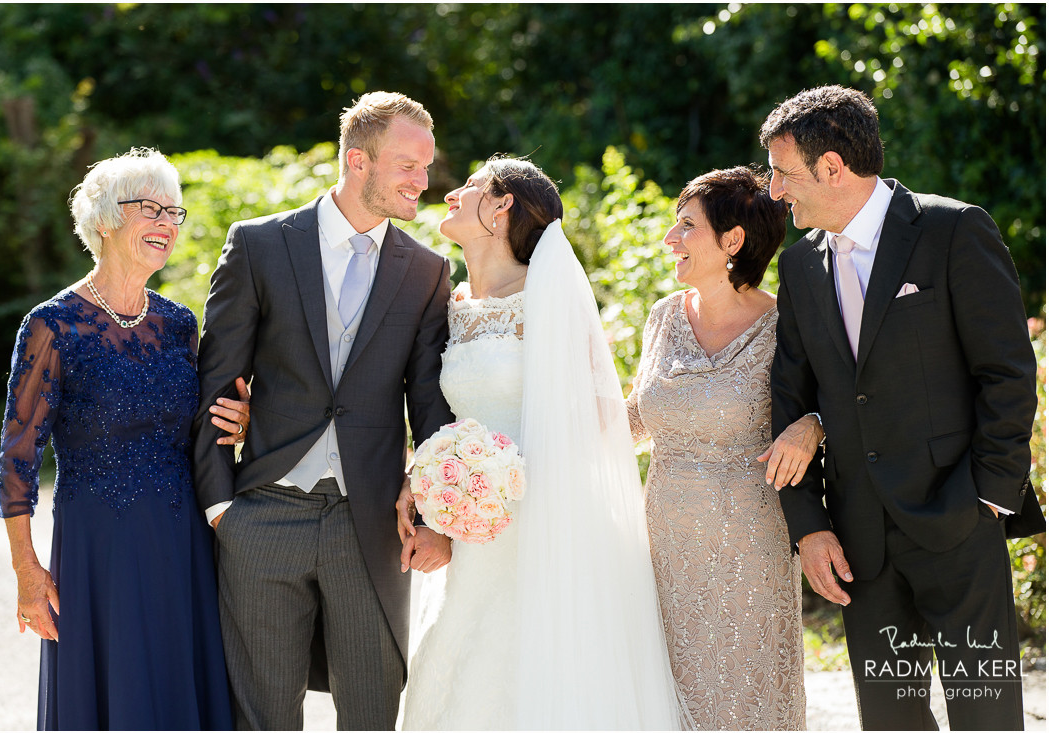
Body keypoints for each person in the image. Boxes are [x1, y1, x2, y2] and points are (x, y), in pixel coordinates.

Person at [761, 85, 1041, 730]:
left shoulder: (953, 230)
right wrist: (807, 525)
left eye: (784, 172)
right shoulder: (801, 265)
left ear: (832, 167)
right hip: (858, 540)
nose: (775, 190)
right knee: (891, 719)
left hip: (960, 520)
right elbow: (791, 401)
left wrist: (990, 497)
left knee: (986, 714)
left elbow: (1005, 372)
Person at [191, 91, 455, 730]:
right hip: (263, 515)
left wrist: (438, 516)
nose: (422, 183)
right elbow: (216, 378)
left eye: (426, 167)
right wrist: (222, 507)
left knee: (372, 711)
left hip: (370, 526)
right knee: (262, 716)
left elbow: (429, 405)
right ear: (357, 161)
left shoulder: (425, 270)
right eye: (407, 166)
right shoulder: (260, 245)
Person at [397, 156, 691, 730]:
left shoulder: (546, 301)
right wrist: (439, 487)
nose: (451, 193)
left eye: (472, 187)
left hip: (541, 522)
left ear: (502, 205)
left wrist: (515, 477)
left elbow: (596, 418)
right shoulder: (452, 305)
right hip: (469, 522)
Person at [0, 148, 248, 730]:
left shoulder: (180, 324)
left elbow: (206, 428)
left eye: (174, 212)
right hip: (98, 550)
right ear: (106, 218)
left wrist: (244, 418)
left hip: (185, 544)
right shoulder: (52, 326)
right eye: (150, 209)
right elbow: (17, 460)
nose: (167, 223)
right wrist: (27, 571)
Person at [626, 166, 818, 730]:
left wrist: (815, 424)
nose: (670, 240)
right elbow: (639, 415)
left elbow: (832, 406)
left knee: (742, 696)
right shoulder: (662, 317)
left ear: (732, 241)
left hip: (749, 547)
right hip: (660, 541)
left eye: (686, 226)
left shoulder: (788, 326)